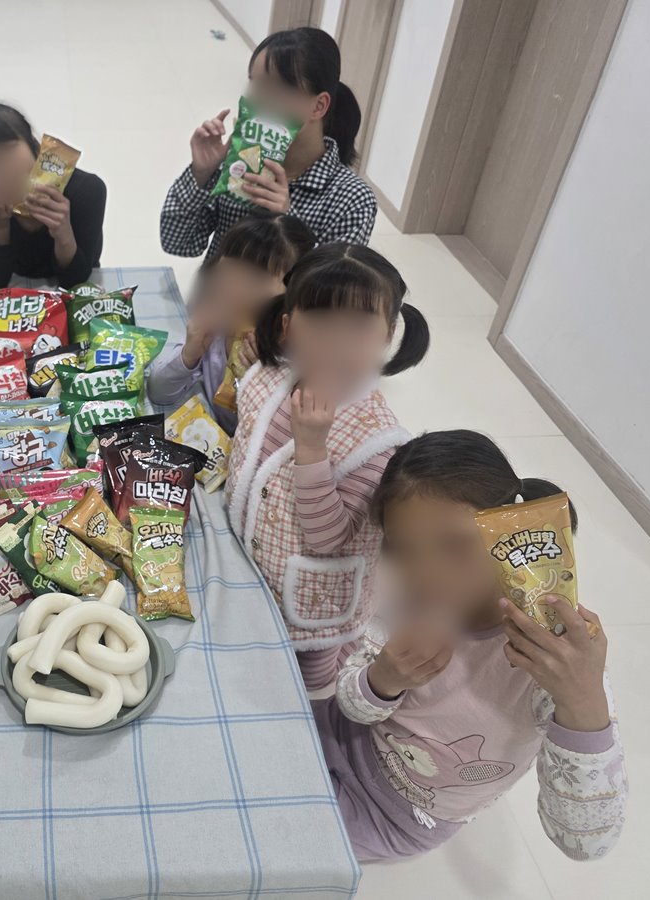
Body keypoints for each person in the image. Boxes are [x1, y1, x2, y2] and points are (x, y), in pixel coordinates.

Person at [315, 430, 627, 861]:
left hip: (398, 816)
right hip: (341, 734)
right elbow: (352, 703)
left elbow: (585, 842)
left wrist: (582, 700)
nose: (426, 574)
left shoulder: (552, 658)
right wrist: (382, 679)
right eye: (404, 549)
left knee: (278, 834)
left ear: (512, 531)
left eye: (454, 545)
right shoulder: (409, 604)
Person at [226, 242, 428, 691]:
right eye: (319, 321)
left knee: (309, 687)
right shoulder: (271, 377)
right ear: (287, 326)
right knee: (251, 667)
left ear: (387, 335)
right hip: (250, 567)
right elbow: (248, 454)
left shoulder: (378, 440)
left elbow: (330, 538)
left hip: (312, 602)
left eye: (357, 326)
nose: (337, 342)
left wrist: (312, 448)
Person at [161, 27, 376, 260]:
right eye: (255, 84)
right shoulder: (241, 163)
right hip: (218, 285)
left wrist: (288, 224)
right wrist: (201, 174)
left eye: (278, 88)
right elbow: (177, 243)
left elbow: (331, 282)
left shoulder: (352, 198)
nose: (258, 100)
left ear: (318, 106)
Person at [145, 211, 316, 434]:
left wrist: (264, 382)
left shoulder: (295, 356)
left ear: (294, 290)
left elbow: (284, 439)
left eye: (256, 278)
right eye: (230, 268)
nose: (234, 287)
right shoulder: (216, 329)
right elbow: (159, 392)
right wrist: (189, 355)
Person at [0, 102, 106, 287]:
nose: (0, 168)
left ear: (34, 145)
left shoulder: (87, 191)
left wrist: (63, 235)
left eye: (7, 149)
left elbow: (78, 280)